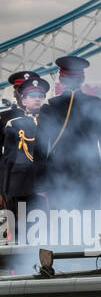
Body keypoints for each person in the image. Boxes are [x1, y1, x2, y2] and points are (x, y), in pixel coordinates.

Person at [42, 55, 101, 215]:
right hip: (89, 174)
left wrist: (41, 182)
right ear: (82, 78)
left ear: (61, 79)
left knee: (61, 228)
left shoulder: (49, 107)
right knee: (89, 225)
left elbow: (40, 149)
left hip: (58, 175)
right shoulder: (97, 104)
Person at [1, 74, 50, 257]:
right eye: (32, 96)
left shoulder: (48, 122)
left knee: (39, 230)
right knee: (19, 231)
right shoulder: (14, 123)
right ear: (23, 100)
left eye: (40, 95)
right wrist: (4, 188)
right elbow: (9, 159)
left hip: (41, 186)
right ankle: (18, 265)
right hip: (20, 185)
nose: (37, 99)